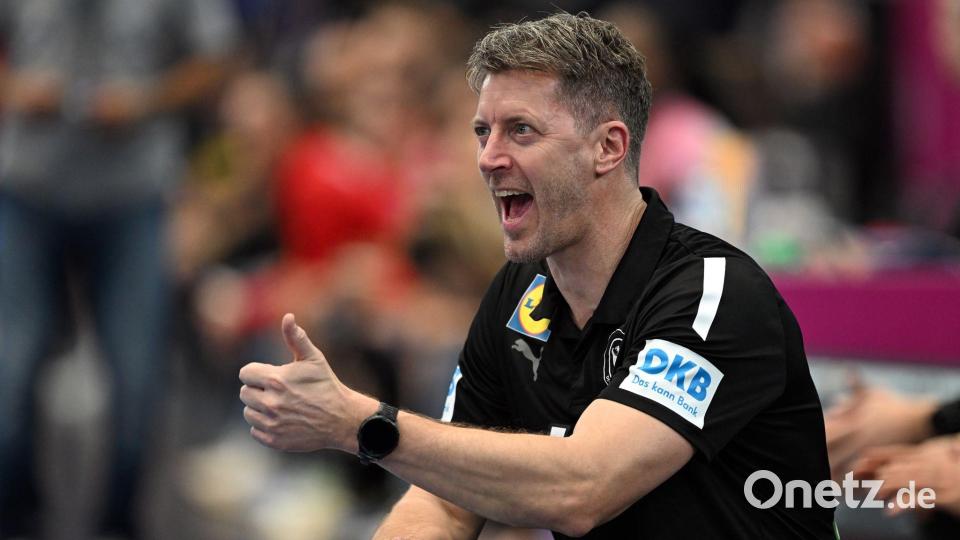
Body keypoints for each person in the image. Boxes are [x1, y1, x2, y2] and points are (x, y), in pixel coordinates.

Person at [239, 12, 834, 538]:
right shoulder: (518, 291)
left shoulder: (712, 292)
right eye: (483, 131)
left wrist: (359, 424)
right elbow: (445, 502)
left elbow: (583, 488)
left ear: (608, 148)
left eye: (520, 130)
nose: (488, 158)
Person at [0, 0, 236, 537]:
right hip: (28, 193)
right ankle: (15, 515)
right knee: (10, 369)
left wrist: (145, 100)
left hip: (132, 198)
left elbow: (217, 59)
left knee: (136, 378)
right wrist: (14, 90)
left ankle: (117, 522)